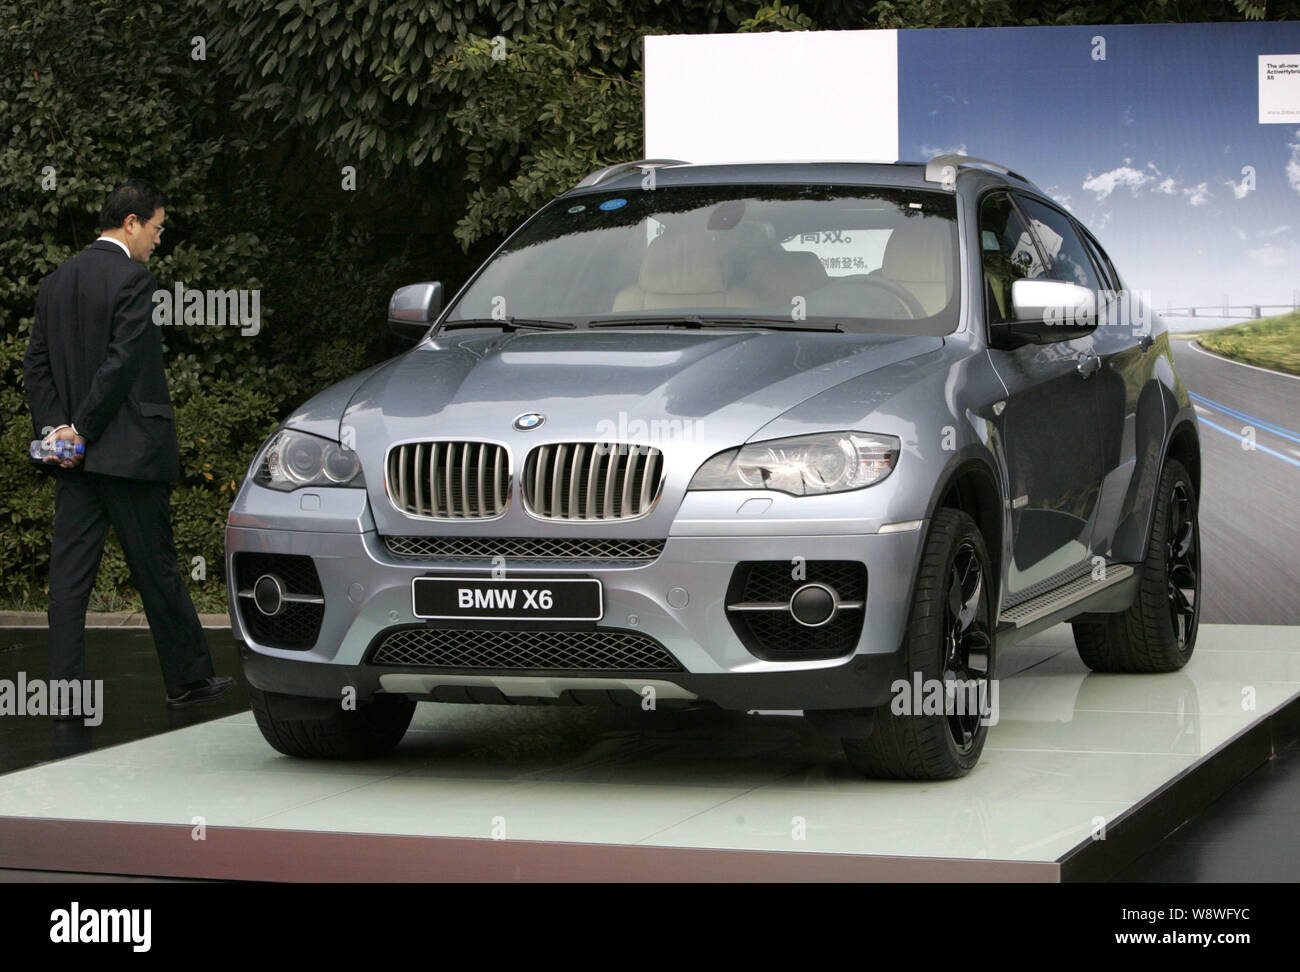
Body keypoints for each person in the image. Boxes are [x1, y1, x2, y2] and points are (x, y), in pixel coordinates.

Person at [22, 179, 233, 712]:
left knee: (68, 578)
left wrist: (57, 433)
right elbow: (121, 364)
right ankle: (186, 680)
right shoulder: (135, 280)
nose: (158, 240)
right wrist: (84, 428)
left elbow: (37, 367)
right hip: (129, 456)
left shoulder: (54, 282)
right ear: (132, 222)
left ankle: (65, 691)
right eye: (157, 228)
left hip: (75, 461)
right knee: (157, 568)